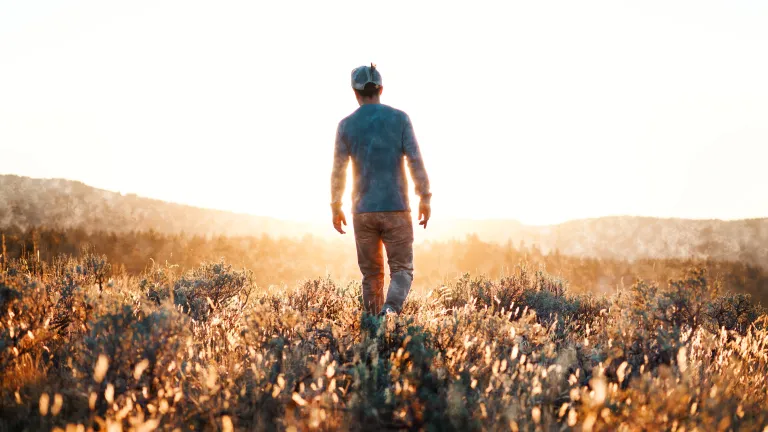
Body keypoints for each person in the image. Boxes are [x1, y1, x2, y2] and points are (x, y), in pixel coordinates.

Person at [330, 63, 432, 317]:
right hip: (396, 207)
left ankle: (374, 331)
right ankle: (390, 311)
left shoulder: (345, 125)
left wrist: (336, 205)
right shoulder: (400, 119)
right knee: (402, 270)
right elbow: (415, 160)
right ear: (381, 89)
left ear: (355, 93)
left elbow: (339, 170)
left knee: (371, 275)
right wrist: (424, 197)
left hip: (362, 211)